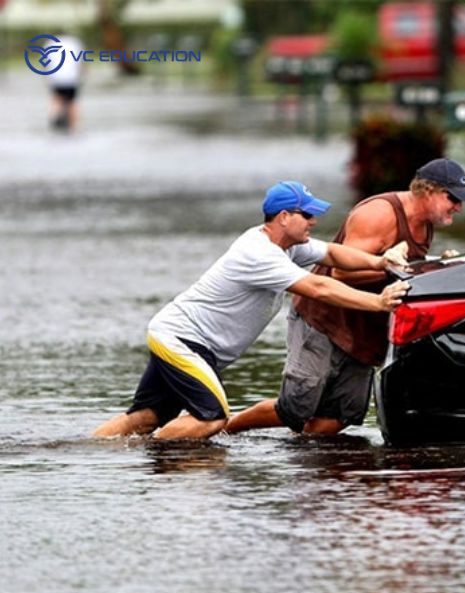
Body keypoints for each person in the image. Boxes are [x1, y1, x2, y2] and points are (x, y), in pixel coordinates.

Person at [93, 181, 410, 440]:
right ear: (284, 217)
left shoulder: (286, 245)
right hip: (181, 339)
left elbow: (334, 254)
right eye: (307, 215)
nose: (314, 221)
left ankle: (89, 451)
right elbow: (319, 288)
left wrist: (380, 262)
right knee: (212, 418)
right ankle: (154, 462)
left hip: (182, 338)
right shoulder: (259, 254)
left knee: (146, 418)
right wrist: (378, 302)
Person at [225, 158, 465, 436]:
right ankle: (227, 428)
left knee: (339, 417)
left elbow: (402, 270)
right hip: (324, 319)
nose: (459, 206)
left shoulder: (426, 222)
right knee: (295, 408)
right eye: (452, 198)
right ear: (428, 191)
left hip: (363, 327)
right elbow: (341, 274)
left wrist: (435, 266)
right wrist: (403, 270)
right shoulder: (379, 214)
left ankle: (305, 469)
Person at [48, 34, 84, 132]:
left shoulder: (50, 43)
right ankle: (73, 127)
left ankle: (55, 120)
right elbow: (80, 61)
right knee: (72, 102)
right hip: (71, 78)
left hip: (56, 78)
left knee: (57, 99)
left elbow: (47, 62)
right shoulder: (75, 42)